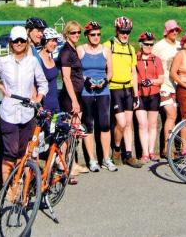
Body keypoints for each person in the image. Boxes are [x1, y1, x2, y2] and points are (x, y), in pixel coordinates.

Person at [0, 26, 48, 187]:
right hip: (8, 113)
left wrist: (38, 98)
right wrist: (0, 87)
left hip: (27, 113)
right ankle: (10, 187)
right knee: (10, 152)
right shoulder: (3, 62)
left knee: (25, 151)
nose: (19, 43)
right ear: (10, 43)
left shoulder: (32, 62)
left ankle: (21, 183)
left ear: (26, 42)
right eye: (15, 40)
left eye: (22, 40)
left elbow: (43, 83)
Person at [76, 21, 118, 172]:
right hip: (86, 91)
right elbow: (76, 71)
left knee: (105, 125)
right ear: (87, 35)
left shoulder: (106, 51)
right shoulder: (80, 50)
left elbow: (111, 71)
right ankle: (92, 160)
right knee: (88, 125)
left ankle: (106, 158)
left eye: (98, 34)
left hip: (103, 91)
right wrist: (86, 80)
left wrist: (105, 81)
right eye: (93, 34)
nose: (96, 37)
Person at [104, 16, 142, 168]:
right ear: (116, 30)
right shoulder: (108, 45)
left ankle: (128, 154)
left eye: (128, 32)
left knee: (129, 124)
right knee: (121, 122)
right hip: (114, 88)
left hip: (127, 89)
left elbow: (133, 72)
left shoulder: (130, 49)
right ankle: (117, 150)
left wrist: (136, 94)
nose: (125, 34)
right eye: (122, 31)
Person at [57, 20, 89, 178]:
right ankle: (64, 165)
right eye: (73, 33)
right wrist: (74, 101)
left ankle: (72, 163)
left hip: (77, 93)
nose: (76, 35)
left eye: (78, 32)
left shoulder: (73, 49)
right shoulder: (66, 52)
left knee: (74, 134)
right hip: (70, 97)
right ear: (66, 34)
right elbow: (66, 78)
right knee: (68, 133)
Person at [152, 20, 181, 158]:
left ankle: (176, 147)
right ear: (166, 31)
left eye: (176, 30)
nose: (174, 32)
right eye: (172, 30)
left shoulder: (180, 45)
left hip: (177, 86)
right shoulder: (158, 46)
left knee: (176, 116)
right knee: (171, 115)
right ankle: (167, 148)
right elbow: (150, 62)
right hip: (164, 86)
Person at [135, 32, 164, 163]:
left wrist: (151, 81)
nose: (149, 47)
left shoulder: (156, 59)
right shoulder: (135, 58)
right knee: (142, 124)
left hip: (153, 93)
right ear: (141, 44)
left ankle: (151, 151)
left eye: (151, 44)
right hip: (140, 94)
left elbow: (161, 78)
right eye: (146, 44)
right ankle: (144, 153)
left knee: (152, 124)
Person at [38, 28, 62, 113]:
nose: (55, 44)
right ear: (44, 41)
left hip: (56, 104)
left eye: (56, 41)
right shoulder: (38, 60)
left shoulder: (51, 57)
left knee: (56, 126)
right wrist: (38, 105)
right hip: (44, 106)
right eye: (52, 41)